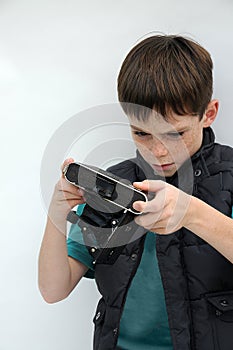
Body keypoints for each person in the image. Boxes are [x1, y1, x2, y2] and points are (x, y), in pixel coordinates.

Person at [38, 34, 233, 350]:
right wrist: (56, 215)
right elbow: (53, 289)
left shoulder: (230, 175)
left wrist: (192, 213)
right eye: (141, 133)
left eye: (175, 134)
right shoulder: (113, 186)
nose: (158, 150)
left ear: (209, 113)